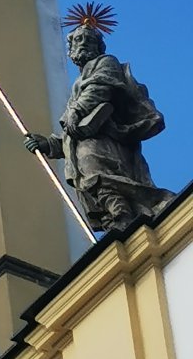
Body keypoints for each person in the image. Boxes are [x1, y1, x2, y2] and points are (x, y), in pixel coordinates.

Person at [25, 24, 172, 235]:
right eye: (78, 40)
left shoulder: (106, 62)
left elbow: (100, 88)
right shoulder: (80, 81)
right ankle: (116, 219)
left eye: (89, 40)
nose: (84, 43)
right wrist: (49, 144)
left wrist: (77, 110)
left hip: (105, 140)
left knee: (100, 176)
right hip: (85, 142)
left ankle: (122, 215)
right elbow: (71, 133)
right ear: (71, 48)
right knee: (92, 181)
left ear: (98, 46)